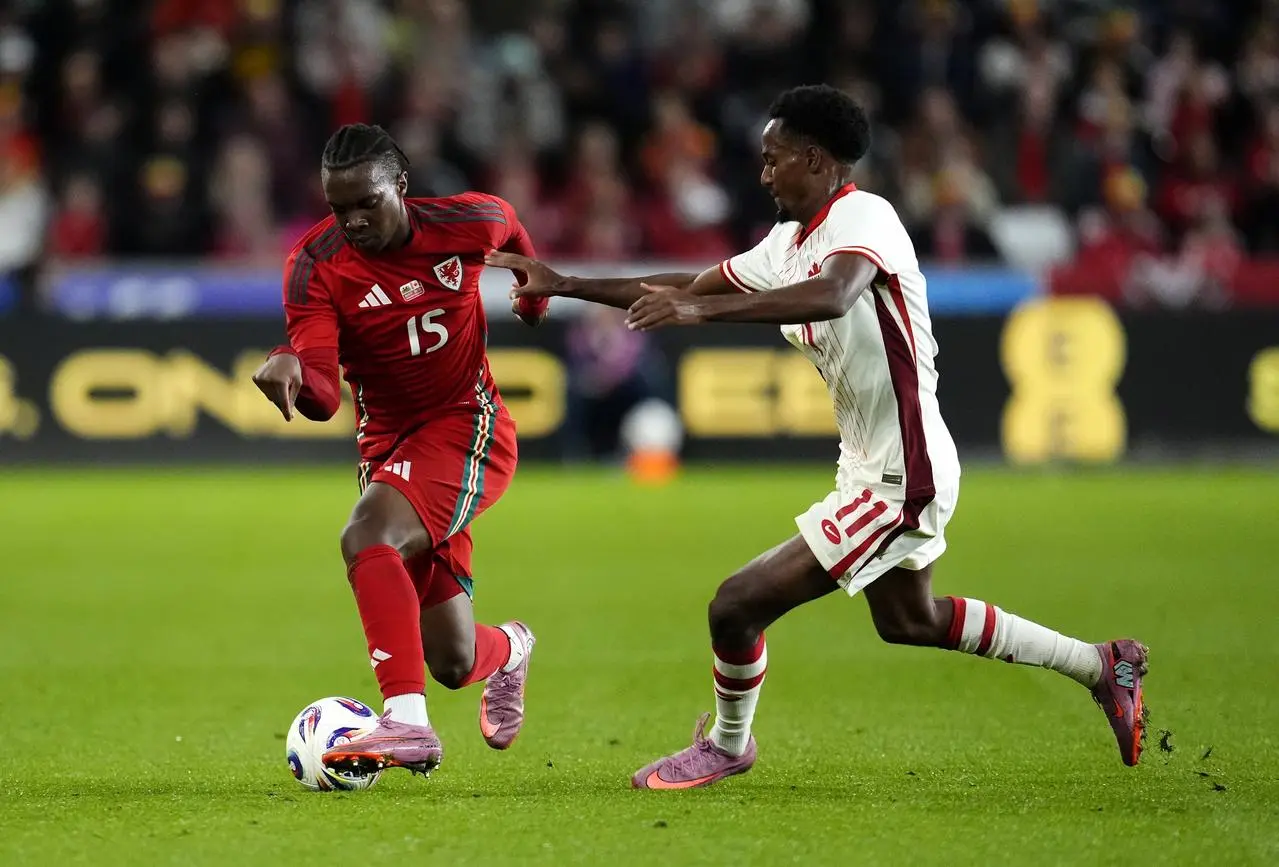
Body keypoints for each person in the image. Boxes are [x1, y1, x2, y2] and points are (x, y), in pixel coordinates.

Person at [487, 85, 1149, 790]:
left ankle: (727, 743)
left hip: (904, 471)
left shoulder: (865, 217)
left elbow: (834, 292)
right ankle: (1102, 663)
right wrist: (565, 283)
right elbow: (693, 282)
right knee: (908, 618)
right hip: (869, 464)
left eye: (773, 160)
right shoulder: (785, 242)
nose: (764, 174)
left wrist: (694, 313)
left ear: (813, 158)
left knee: (735, 603)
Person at [252, 123, 548, 779]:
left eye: (366, 203)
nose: (352, 220)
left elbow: (510, 228)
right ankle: (510, 648)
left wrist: (534, 290)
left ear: (401, 187)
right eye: (338, 207)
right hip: (387, 446)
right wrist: (291, 366)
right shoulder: (314, 265)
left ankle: (407, 724)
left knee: (365, 535)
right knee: (450, 658)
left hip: (466, 425)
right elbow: (327, 396)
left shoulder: (467, 220)